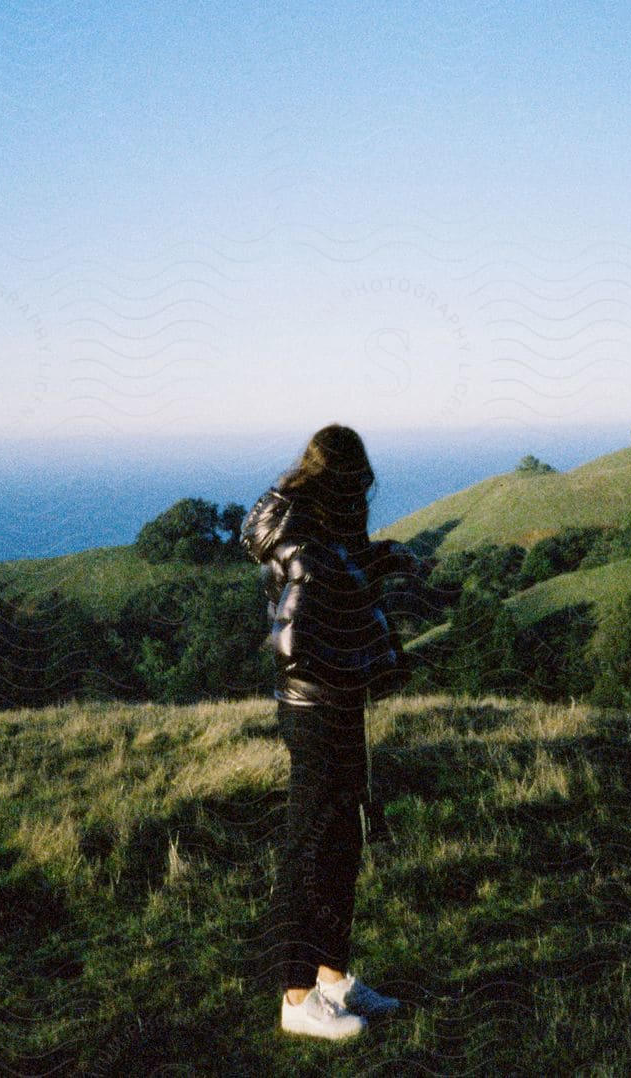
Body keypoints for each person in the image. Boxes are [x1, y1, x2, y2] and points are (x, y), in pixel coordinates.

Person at [239, 423, 430, 1040]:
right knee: (311, 846)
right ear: (339, 476)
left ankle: (332, 980)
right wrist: (343, 668)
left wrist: (387, 557)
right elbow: (294, 638)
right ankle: (296, 1000)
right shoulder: (299, 537)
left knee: (343, 840)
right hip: (316, 706)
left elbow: (343, 576)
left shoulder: (321, 523)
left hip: (338, 701)